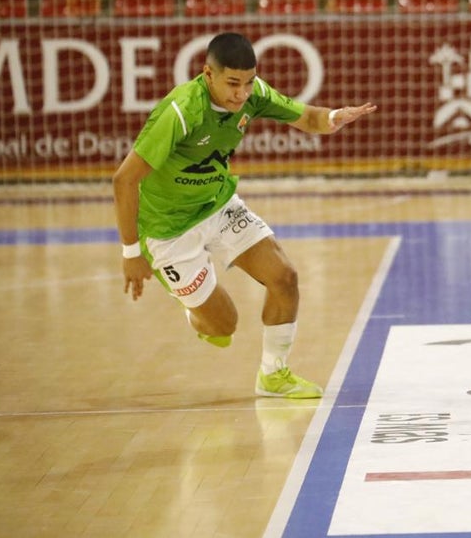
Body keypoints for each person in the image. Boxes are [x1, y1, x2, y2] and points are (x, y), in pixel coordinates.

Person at [112, 33, 377, 398]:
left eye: (248, 82)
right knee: (224, 327)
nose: (241, 93)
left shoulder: (255, 95)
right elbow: (124, 180)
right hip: (168, 228)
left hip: (218, 204)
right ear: (208, 74)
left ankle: (273, 375)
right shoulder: (180, 111)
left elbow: (310, 118)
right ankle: (193, 307)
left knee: (284, 277)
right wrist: (131, 253)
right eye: (232, 83)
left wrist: (335, 117)